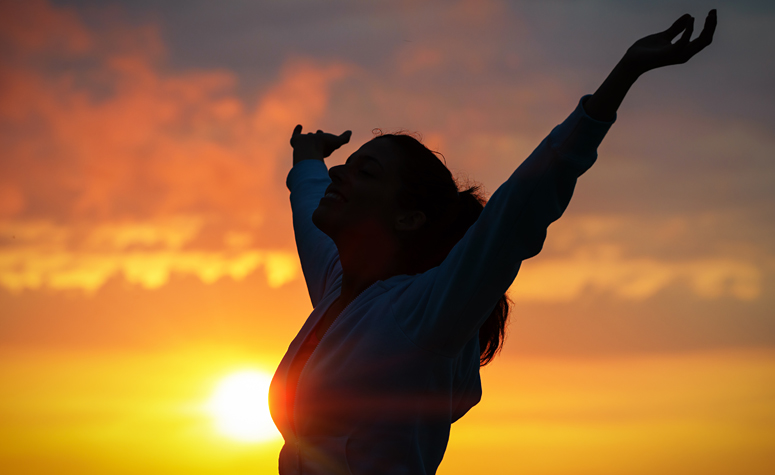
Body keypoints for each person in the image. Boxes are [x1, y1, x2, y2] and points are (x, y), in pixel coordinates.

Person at [269, 10, 717, 474]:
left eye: (366, 172)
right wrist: (307, 160)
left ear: (408, 218)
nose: (339, 173)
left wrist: (620, 79)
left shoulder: (420, 312)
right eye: (346, 165)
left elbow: (520, 208)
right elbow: (309, 211)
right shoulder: (339, 288)